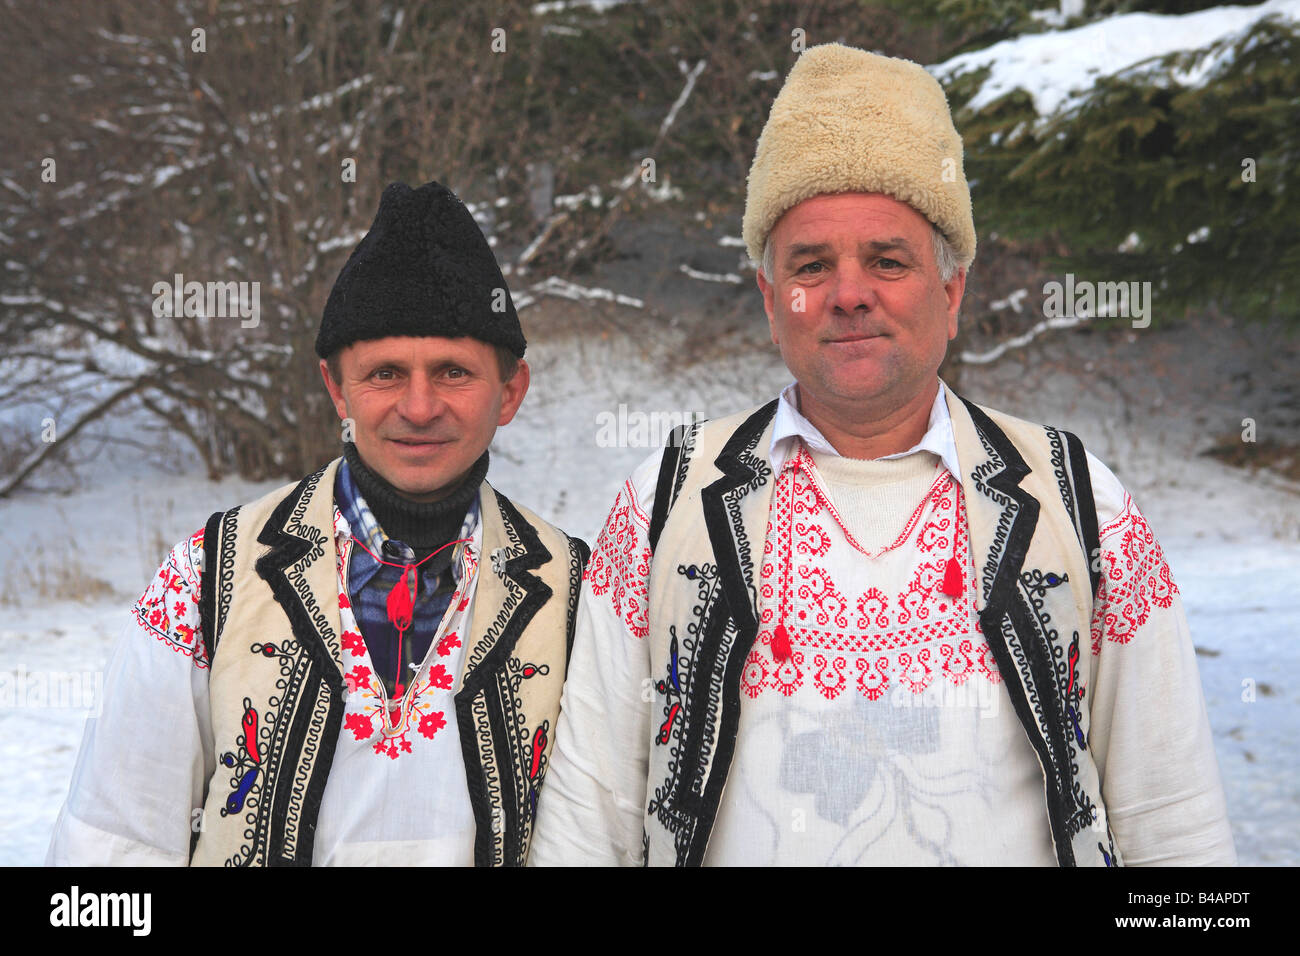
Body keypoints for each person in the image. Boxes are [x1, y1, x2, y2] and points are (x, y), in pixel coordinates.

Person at [529, 45, 1235, 866]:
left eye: (888, 260)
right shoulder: (669, 503)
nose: (849, 292)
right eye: (811, 264)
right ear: (770, 300)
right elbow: (591, 817)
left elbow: (1173, 820)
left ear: (951, 290)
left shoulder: (1078, 502)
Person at [47, 180, 589, 866]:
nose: (419, 407)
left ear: (510, 392)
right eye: (385, 373)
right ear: (338, 388)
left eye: (453, 372)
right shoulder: (210, 578)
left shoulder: (581, 593)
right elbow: (112, 839)